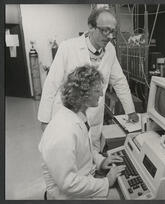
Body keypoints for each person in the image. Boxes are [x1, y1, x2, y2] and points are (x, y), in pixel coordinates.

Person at [38, 8, 139, 151]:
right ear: (91, 27)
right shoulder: (68, 47)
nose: (109, 36)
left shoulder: (110, 49)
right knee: (70, 156)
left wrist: (131, 111)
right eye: (105, 30)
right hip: (67, 114)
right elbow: (51, 84)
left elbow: (119, 81)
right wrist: (44, 120)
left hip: (94, 114)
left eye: (112, 31)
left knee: (92, 156)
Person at [39, 65, 126, 200]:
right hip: (66, 195)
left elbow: (84, 150)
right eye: (98, 90)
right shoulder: (63, 132)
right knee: (126, 196)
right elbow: (68, 184)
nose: (102, 94)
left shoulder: (78, 116)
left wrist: (101, 161)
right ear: (83, 95)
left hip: (82, 180)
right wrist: (106, 182)